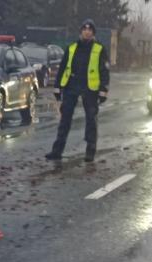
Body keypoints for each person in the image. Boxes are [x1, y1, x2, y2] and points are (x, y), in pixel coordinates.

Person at [47, 19, 111, 162]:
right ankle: (57, 150)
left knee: (91, 120)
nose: (87, 32)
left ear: (93, 33)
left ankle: (90, 150)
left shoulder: (99, 49)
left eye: (90, 30)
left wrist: (103, 90)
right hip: (72, 86)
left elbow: (104, 71)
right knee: (65, 119)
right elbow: (63, 68)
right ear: (81, 31)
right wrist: (57, 87)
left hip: (90, 88)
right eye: (84, 29)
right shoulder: (72, 48)